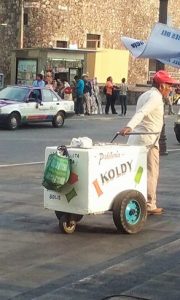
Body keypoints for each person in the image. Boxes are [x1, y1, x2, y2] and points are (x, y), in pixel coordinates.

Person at [119, 70, 178, 215]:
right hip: (148, 141)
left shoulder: (145, 95)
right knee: (152, 172)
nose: (170, 89)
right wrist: (129, 126)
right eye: (169, 85)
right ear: (162, 85)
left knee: (137, 172)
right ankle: (150, 204)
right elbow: (142, 113)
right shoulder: (156, 98)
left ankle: (137, 198)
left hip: (137, 138)